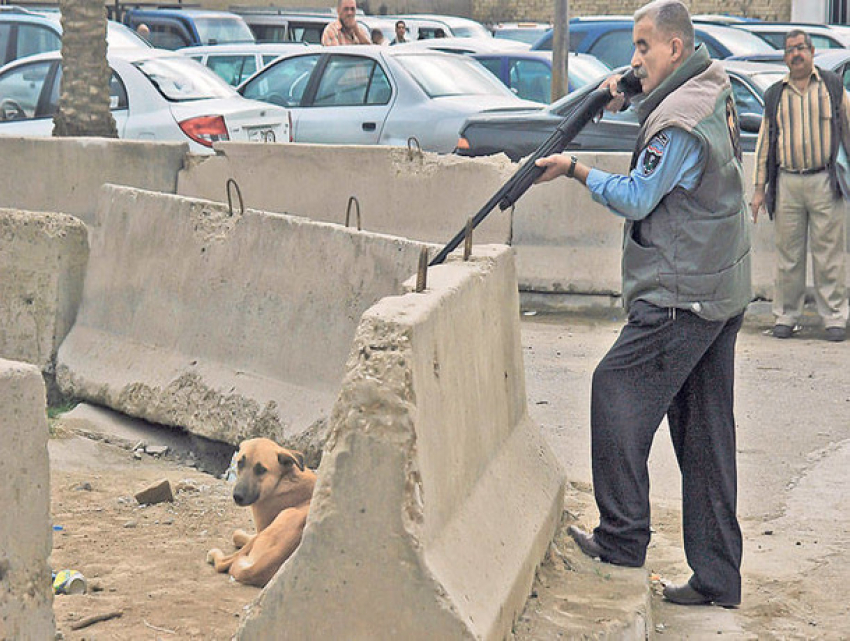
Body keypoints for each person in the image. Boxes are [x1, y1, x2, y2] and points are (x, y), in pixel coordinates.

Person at [534, 0, 751, 608]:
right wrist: (626, 92)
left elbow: (638, 196)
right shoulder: (711, 83)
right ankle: (717, 579)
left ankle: (622, 537)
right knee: (705, 435)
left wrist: (576, 169)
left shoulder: (678, 120)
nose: (634, 59)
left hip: (683, 295)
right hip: (720, 287)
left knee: (614, 388)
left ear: (674, 49)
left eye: (643, 48)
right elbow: (670, 117)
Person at [750, 30, 850, 343]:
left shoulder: (833, 88)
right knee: (789, 258)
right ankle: (786, 317)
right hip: (788, 182)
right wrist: (757, 189)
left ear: (812, 52)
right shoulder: (774, 95)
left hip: (824, 181)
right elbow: (765, 144)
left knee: (829, 255)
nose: (797, 54)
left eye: (802, 48)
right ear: (785, 57)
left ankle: (834, 318)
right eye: (791, 49)